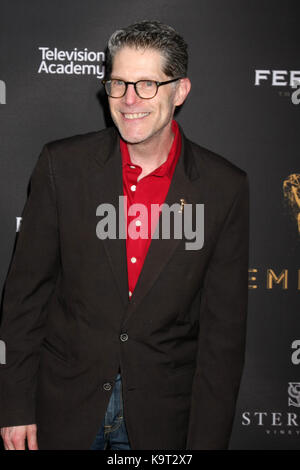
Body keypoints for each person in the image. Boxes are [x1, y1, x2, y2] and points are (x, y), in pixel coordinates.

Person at [0, 20, 249, 450]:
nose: (130, 99)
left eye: (147, 84)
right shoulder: (63, 166)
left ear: (181, 91)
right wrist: (15, 406)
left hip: (163, 422)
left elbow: (222, 339)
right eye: (118, 83)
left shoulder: (223, 188)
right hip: (62, 410)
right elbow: (25, 297)